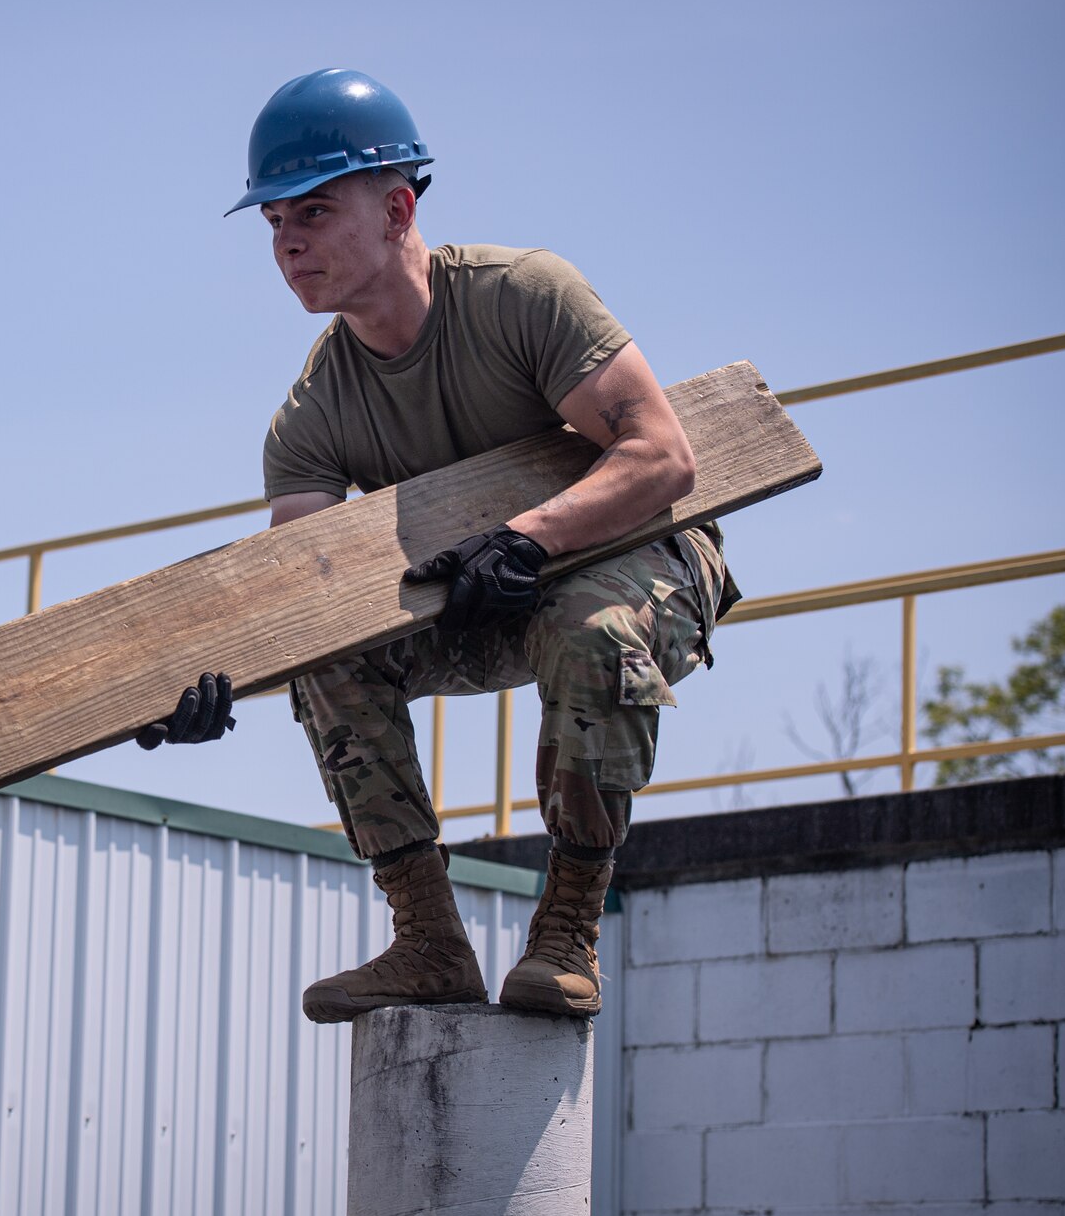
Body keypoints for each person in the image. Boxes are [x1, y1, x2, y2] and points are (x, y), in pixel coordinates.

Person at [137, 68, 736, 1022]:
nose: (288, 241)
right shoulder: (312, 417)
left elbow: (663, 456)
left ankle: (568, 927)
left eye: (315, 210)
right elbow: (300, 595)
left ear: (398, 206)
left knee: (593, 626)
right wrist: (203, 685)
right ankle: (427, 940)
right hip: (477, 595)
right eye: (273, 222)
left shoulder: (523, 296)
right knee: (328, 665)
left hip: (635, 557)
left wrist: (526, 540)